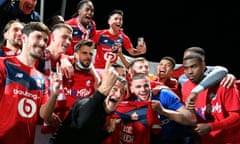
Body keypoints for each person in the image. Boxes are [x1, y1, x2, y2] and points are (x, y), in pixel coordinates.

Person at [0, 22, 61, 144]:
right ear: (24, 38)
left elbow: (44, 115)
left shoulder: (42, 79)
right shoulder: (3, 64)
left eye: (45, 40)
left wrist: (55, 93)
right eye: (38, 37)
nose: (43, 43)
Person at [49, 57, 127, 144]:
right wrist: (103, 89)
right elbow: (82, 122)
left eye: (122, 92)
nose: (118, 95)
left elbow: (88, 139)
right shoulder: (84, 103)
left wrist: (106, 132)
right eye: (115, 89)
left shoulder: (103, 115)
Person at [181, 53, 240, 144]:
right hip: (207, 140)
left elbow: (237, 117)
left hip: (230, 140)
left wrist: (211, 127)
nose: (190, 72)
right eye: (186, 68)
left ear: (204, 66)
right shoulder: (185, 87)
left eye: (193, 66)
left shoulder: (225, 83)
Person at [34, 23, 73, 144]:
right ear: (53, 36)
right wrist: (47, 114)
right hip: (37, 121)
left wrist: (63, 57)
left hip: (57, 123)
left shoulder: (67, 62)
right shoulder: (38, 56)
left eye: (70, 39)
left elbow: (85, 61)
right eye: (64, 37)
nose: (67, 42)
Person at [130, 73, 197, 144]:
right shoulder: (133, 105)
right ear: (132, 89)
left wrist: (163, 111)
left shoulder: (164, 94)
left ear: (150, 86)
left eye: (146, 86)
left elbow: (191, 120)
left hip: (179, 139)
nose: (143, 89)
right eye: (138, 87)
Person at [93, 9, 147, 76]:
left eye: (120, 19)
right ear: (109, 21)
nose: (118, 21)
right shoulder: (99, 34)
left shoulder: (124, 37)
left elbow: (132, 52)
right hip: (98, 69)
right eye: (116, 19)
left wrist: (141, 51)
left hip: (112, 71)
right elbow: (88, 46)